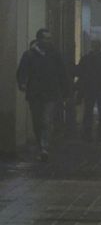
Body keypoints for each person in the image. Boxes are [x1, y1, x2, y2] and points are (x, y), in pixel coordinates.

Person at [15, 28, 68, 157]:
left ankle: (44, 147)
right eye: (46, 38)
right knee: (37, 120)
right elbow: (22, 71)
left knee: (46, 119)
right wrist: (22, 83)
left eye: (50, 38)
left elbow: (62, 73)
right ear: (39, 39)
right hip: (35, 94)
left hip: (51, 93)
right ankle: (41, 143)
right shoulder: (29, 55)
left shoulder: (55, 55)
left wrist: (65, 90)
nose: (49, 41)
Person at [75, 40, 101, 143]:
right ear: (100, 47)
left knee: (88, 112)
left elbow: (80, 73)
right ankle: (100, 135)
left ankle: (87, 134)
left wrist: (80, 91)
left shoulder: (86, 59)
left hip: (89, 88)